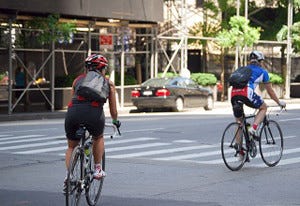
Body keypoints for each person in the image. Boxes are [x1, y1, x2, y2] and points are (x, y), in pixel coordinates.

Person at [64, 54, 120, 185]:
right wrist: (115, 121)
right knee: (98, 137)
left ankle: (69, 176)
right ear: (102, 68)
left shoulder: (77, 80)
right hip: (93, 113)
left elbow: (72, 100)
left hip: (73, 113)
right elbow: (113, 110)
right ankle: (97, 169)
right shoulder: (108, 83)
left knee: (71, 146)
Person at [231, 51, 286, 138]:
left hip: (233, 94)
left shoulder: (243, 69)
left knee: (239, 123)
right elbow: (270, 92)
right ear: (260, 61)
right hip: (246, 93)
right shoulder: (263, 72)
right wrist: (279, 102)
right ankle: (253, 129)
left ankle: (239, 148)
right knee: (264, 107)